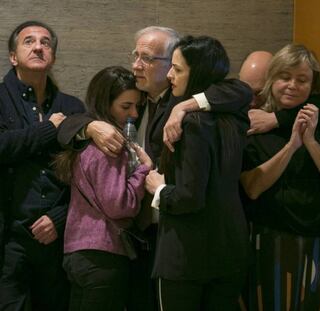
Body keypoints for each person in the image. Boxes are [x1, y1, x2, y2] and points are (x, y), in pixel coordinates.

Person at [57, 26, 252, 311]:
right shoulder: (132, 93)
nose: (136, 65)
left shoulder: (186, 100)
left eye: (147, 58)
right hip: (138, 233)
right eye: (135, 55)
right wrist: (90, 125)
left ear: (172, 63)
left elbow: (241, 90)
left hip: (180, 230)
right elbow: (71, 123)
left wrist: (184, 106)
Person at [240, 43, 320, 311]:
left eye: (302, 80)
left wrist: (310, 141)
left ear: (313, 85)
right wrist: (291, 145)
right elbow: (252, 188)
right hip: (271, 239)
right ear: (272, 80)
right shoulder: (256, 125)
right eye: (284, 77)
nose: (292, 85)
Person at [145, 35, 249, 311]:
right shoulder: (235, 117)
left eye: (178, 69)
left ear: (198, 72)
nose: (169, 75)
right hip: (230, 252)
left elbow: (189, 197)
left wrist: (158, 189)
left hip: (186, 255)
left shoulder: (192, 125)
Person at [0, 20, 85, 311]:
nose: (38, 46)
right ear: (13, 56)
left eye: (45, 42)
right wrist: (49, 130)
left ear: (54, 57)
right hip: (8, 239)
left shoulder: (72, 107)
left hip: (56, 237)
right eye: (29, 41)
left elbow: (84, 176)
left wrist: (59, 218)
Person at [54, 66, 152, 311]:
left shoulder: (86, 140)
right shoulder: (109, 143)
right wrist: (143, 170)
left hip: (77, 251)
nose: (134, 114)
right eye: (125, 106)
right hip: (103, 252)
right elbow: (119, 205)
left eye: (137, 106)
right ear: (105, 103)